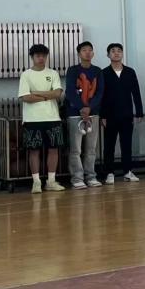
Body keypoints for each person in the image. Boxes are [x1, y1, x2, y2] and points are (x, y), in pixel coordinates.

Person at [18, 44, 66, 193]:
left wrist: (37, 93)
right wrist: (47, 95)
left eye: (43, 56)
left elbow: (57, 94)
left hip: (52, 117)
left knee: (53, 149)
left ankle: (51, 181)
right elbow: (26, 97)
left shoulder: (53, 73)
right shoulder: (26, 75)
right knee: (34, 151)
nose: (41, 58)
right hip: (32, 119)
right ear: (32, 57)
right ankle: (36, 182)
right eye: (38, 56)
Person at [99, 43, 144, 183]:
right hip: (110, 115)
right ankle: (109, 173)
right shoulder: (104, 73)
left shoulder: (130, 72)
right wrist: (102, 115)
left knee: (126, 144)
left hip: (126, 114)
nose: (116, 53)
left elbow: (136, 92)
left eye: (119, 51)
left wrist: (139, 112)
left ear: (122, 54)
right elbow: (101, 96)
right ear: (108, 55)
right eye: (113, 51)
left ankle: (127, 171)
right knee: (109, 145)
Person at [65, 41, 105, 189]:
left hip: (93, 114)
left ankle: (91, 176)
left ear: (93, 53)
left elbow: (100, 92)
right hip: (75, 114)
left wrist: (89, 107)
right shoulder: (73, 70)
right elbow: (70, 91)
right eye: (84, 50)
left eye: (90, 50)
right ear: (79, 54)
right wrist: (82, 107)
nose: (87, 52)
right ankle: (77, 178)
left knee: (91, 149)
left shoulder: (98, 71)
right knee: (76, 149)